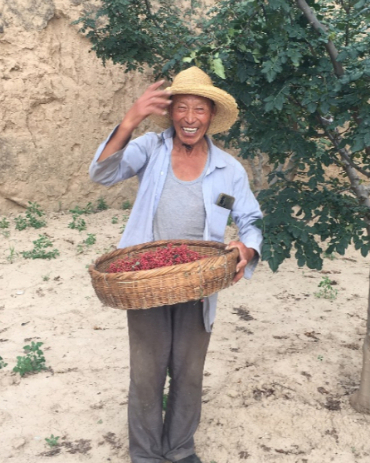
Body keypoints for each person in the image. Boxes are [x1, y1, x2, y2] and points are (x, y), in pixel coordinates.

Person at [89, 66, 263, 463]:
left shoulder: (228, 170)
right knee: (146, 373)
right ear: (170, 113)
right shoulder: (150, 149)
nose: (190, 118)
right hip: (146, 282)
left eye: (199, 109)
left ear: (211, 116)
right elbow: (102, 173)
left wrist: (247, 249)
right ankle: (146, 454)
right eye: (181, 107)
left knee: (189, 371)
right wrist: (130, 120)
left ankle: (181, 450)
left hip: (199, 284)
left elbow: (250, 219)